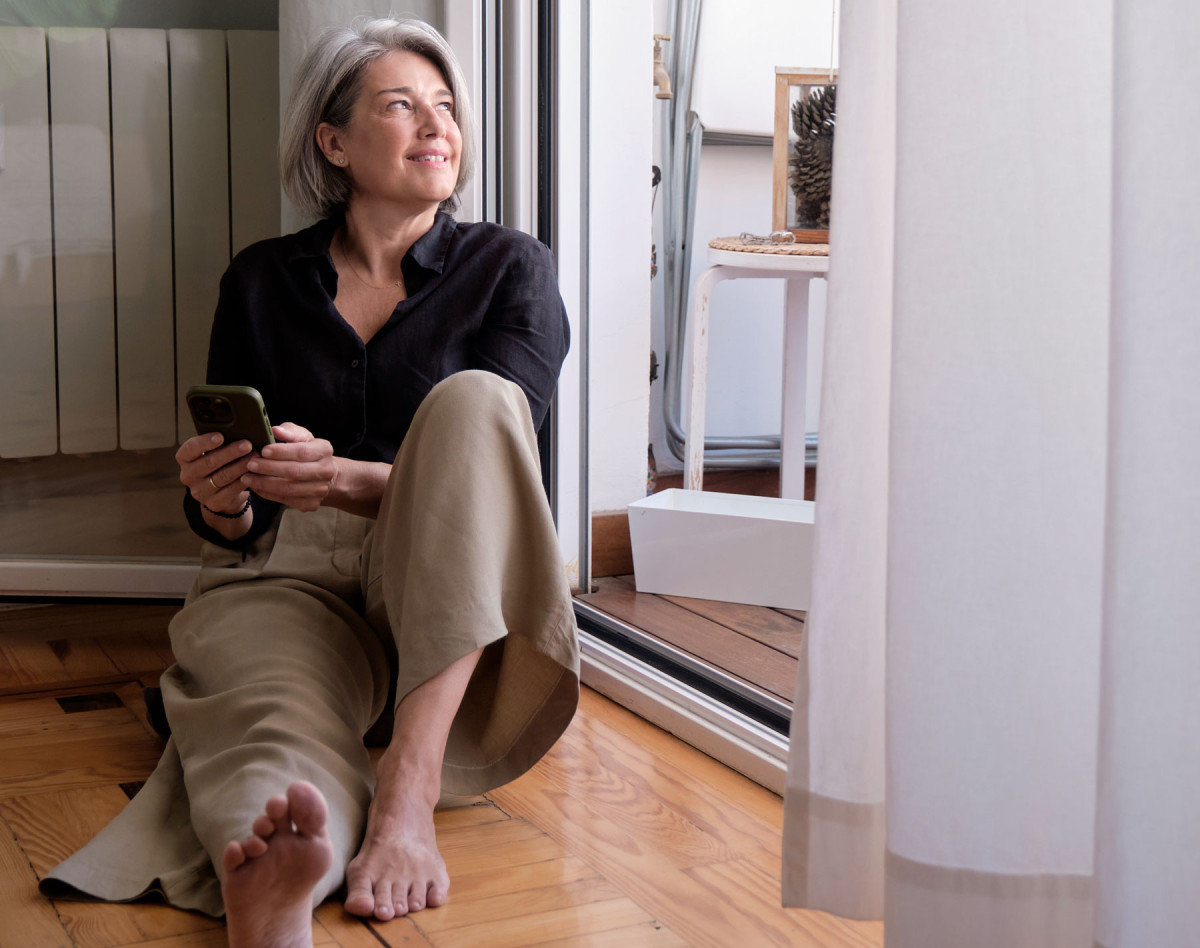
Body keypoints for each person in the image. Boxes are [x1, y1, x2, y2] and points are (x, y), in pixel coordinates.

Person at [40, 17, 579, 948]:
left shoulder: (509, 268)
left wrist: (339, 480)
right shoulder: (259, 281)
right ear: (332, 142)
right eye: (402, 105)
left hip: (451, 590)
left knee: (474, 404)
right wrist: (220, 498)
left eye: (446, 106)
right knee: (271, 733)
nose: (437, 124)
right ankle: (274, 886)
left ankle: (405, 796)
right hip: (288, 574)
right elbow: (228, 515)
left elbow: (494, 468)